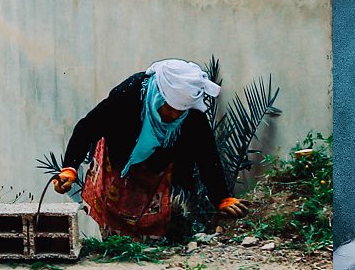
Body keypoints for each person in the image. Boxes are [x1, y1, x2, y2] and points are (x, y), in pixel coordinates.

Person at [51, 59, 250, 242]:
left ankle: (164, 250)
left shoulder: (190, 116)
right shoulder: (127, 98)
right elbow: (87, 128)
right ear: (159, 97)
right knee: (115, 215)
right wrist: (70, 167)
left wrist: (222, 198)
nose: (173, 116)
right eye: (169, 109)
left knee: (173, 215)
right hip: (121, 162)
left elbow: (207, 155)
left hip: (163, 169)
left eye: (180, 111)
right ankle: (116, 247)